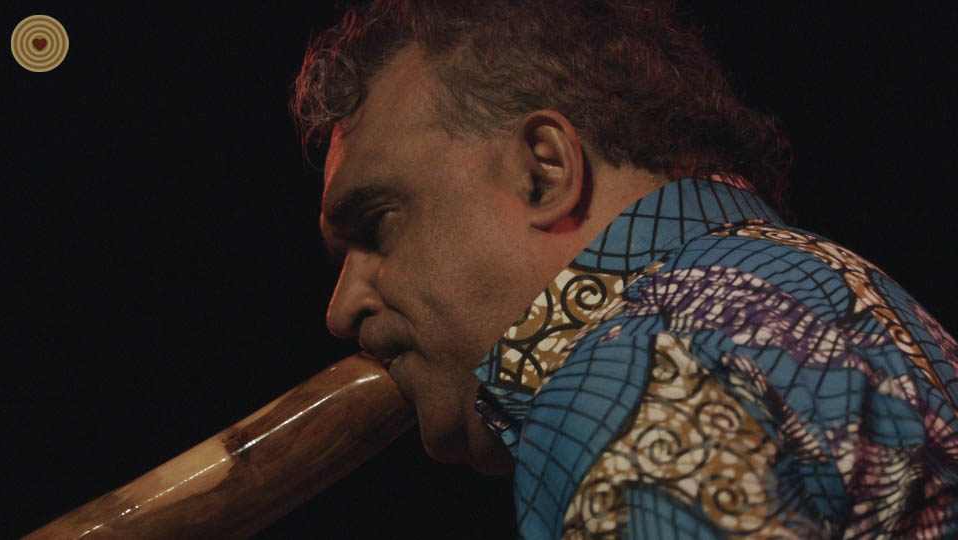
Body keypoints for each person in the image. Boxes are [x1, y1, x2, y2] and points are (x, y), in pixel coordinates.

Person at [292, 1, 958, 537]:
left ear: (543, 172)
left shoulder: (634, 374)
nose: (341, 309)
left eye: (377, 225)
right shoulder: (827, 289)